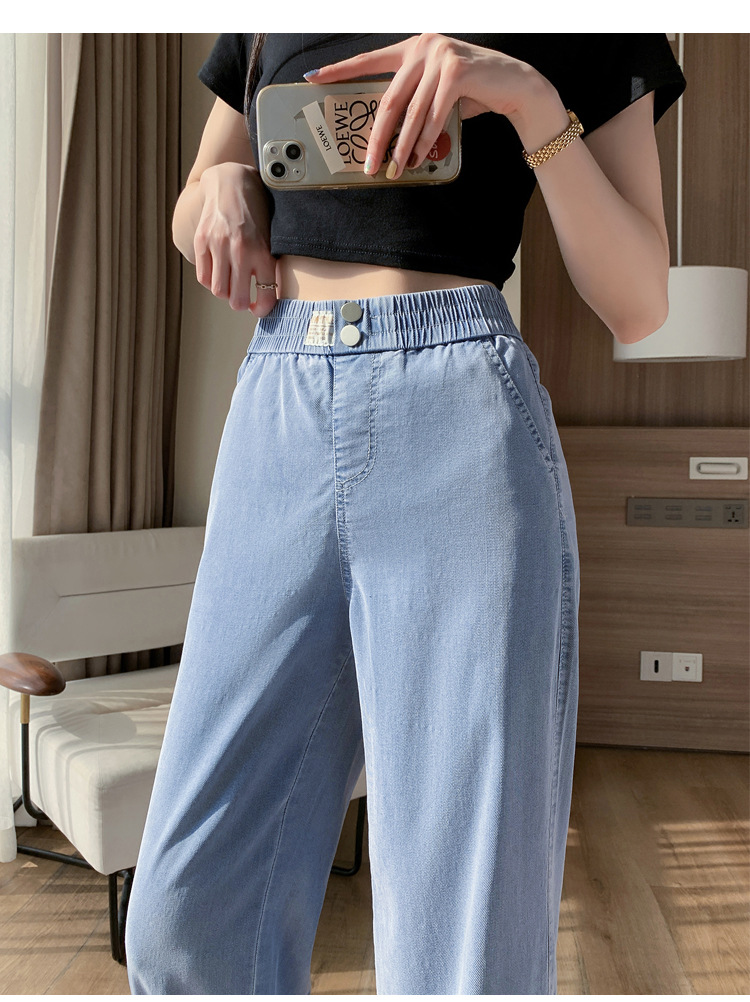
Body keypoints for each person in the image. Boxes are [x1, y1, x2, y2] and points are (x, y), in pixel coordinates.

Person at [125, 33, 687, 995]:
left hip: (457, 410)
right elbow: (197, 200)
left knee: (459, 937)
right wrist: (213, 190)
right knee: (186, 919)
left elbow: (638, 301)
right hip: (279, 409)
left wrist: (529, 101)